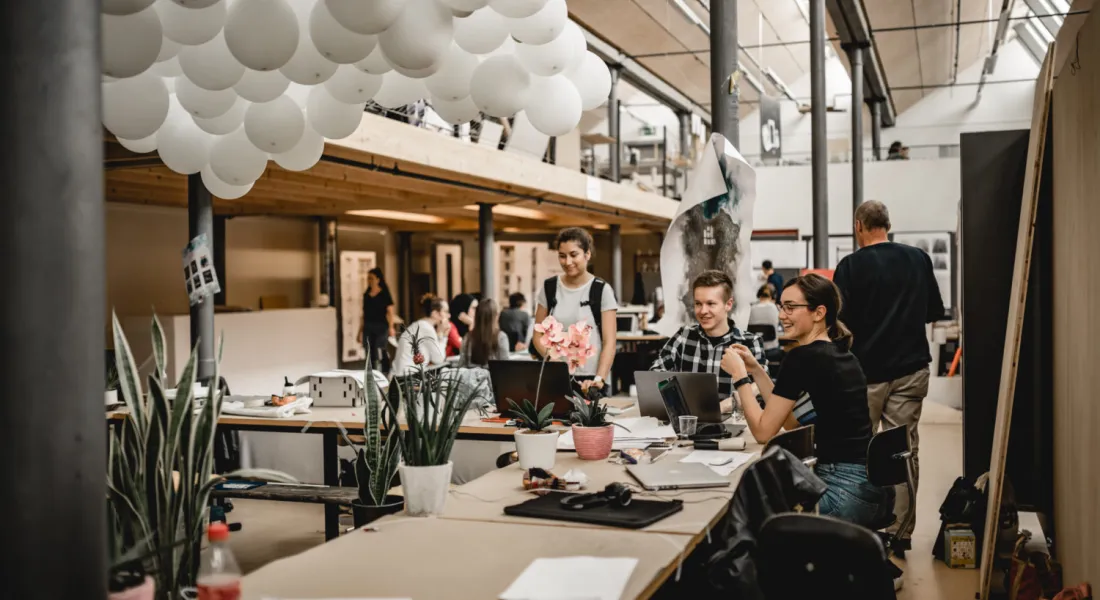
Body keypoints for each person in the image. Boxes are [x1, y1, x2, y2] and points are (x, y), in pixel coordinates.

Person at [722, 274, 894, 529]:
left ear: (819, 312)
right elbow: (792, 423)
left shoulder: (802, 358)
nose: (782, 315)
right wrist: (757, 370)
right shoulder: (842, 355)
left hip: (841, 494)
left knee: (743, 518)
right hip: (872, 492)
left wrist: (740, 377)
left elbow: (762, 432)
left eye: (791, 307)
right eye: (781, 306)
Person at [833, 200, 944, 549]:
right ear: (888, 225)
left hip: (863, 374)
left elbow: (837, 324)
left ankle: (863, 528)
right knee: (902, 451)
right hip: (911, 369)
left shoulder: (849, 267)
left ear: (858, 226)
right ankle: (900, 533)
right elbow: (931, 313)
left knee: (858, 451)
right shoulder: (918, 259)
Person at [652, 270, 767, 408]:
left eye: (711, 304)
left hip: (734, 423)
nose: (703, 311)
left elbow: (762, 386)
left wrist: (726, 405)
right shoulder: (684, 336)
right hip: (690, 422)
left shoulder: (749, 343)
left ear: (728, 304)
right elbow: (655, 373)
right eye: (698, 304)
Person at [533, 227, 618, 392]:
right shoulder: (549, 287)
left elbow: (610, 342)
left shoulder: (601, 290)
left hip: (591, 379)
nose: (567, 262)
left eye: (574, 255)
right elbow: (537, 336)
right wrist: (552, 360)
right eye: (562, 256)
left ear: (587, 254)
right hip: (556, 376)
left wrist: (599, 379)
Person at [392, 295, 451, 376]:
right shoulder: (426, 328)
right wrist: (443, 335)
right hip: (407, 379)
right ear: (435, 314)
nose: (449, 315)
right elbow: (439, 359)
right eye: (446, 311)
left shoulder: (420, 325)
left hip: (401, 376)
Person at [356, 268, 396, 374]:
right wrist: (360, 331)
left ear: (378, 279)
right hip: (368, 327)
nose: (369, 281)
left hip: (381, 327)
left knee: (381, 351)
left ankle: (385, 373)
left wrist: (391, 327)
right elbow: (364, 314)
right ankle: (372, 375)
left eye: (371, 278)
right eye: (368, 278)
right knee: (369, 353)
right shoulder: (366, 295)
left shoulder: (384, 294)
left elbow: (390, 312)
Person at [460, 299, 511, 368]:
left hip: (471, 377)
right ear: (495, 316)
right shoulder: (501, 337)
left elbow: (462, 365)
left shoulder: (467, 337)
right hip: (493, 378)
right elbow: (505, 366)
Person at [749, 285, 784, 357]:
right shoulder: (776, 308)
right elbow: (784, 327)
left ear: (759, 295)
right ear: (773, 296)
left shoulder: (751, 308)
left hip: (754, 351)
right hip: (772, 350)